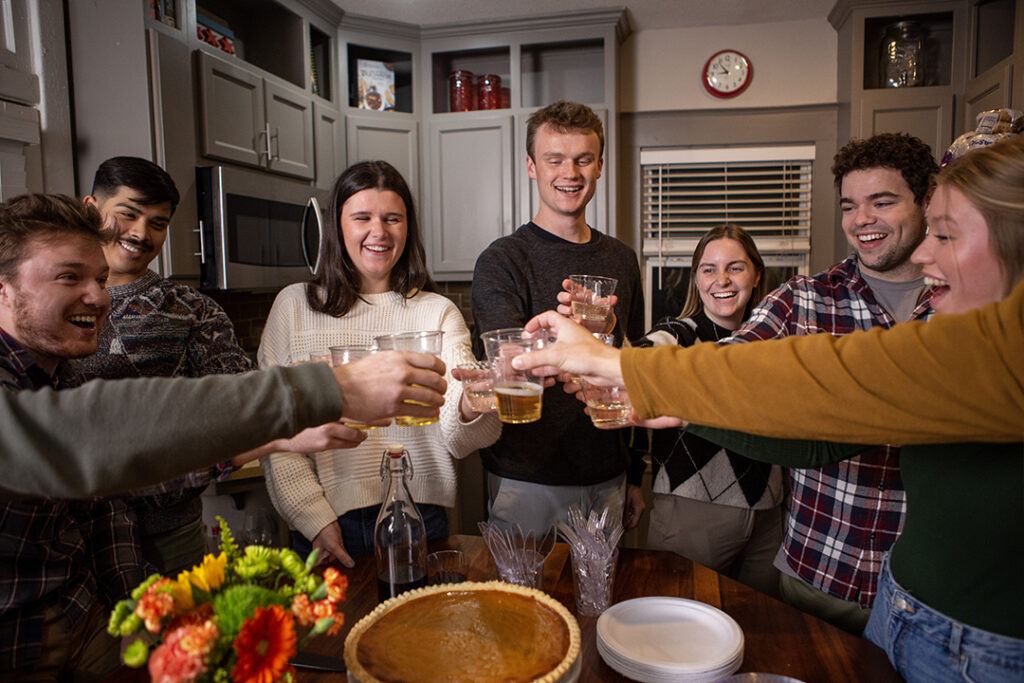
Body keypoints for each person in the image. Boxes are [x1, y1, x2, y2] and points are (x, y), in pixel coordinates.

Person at [664, 135, 1024, 683]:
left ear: (924, 203)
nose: (862, 220)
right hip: (824, 568)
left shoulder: (964, 312)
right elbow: (730, 367)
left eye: (882, 202)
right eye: (850, 206)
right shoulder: (806, 296)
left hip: (953, 622)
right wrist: (656, 383)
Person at [260, 160, 500, 567]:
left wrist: (474, 400)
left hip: (419, 516)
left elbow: (460, 433)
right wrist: (312, 517)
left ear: (408, 228)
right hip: (326, 521)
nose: (379, 232)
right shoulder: (294, 308)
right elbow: (276, 426)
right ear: (338, 226)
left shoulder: (436, 312)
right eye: (362, 218)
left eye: (393, 218)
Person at [73, 157, 260, 574]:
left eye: (157, 223)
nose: (141, 233)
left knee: (183, 640)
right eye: (128, 214)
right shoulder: (54, 302)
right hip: (69, 539)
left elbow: (243, 412)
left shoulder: (192, 310)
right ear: (90, 209)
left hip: (170, 538)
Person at [470, 100, 645, 535]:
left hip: (610, 475)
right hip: (526, 479)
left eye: (583, 159)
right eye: (555, 160)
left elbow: (637, 365)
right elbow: (510, 363)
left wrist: (637, 474)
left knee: (601, 601)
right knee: (522, 601)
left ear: (600, 166)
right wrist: (586, 341)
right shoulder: (501, 260)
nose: (570, 173)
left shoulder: (622, 259)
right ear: (532, 167)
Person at [0, 194, 145, 679]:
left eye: (100, 279)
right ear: (2, 290)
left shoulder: (65, 376)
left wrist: (130, 609)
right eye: (69, 277)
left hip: (86, 622)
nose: (100, 297)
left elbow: (105, 506)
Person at [628, 225, 784, 596]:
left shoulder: (777, 338)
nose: (722, 280)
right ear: (696, 280)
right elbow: (640, 356)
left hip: (770, 514)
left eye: (735, 267)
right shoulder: (681, 334)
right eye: (709, 269)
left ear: (756, 274)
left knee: (758, 627)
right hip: (693, 514)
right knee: (679, 628)